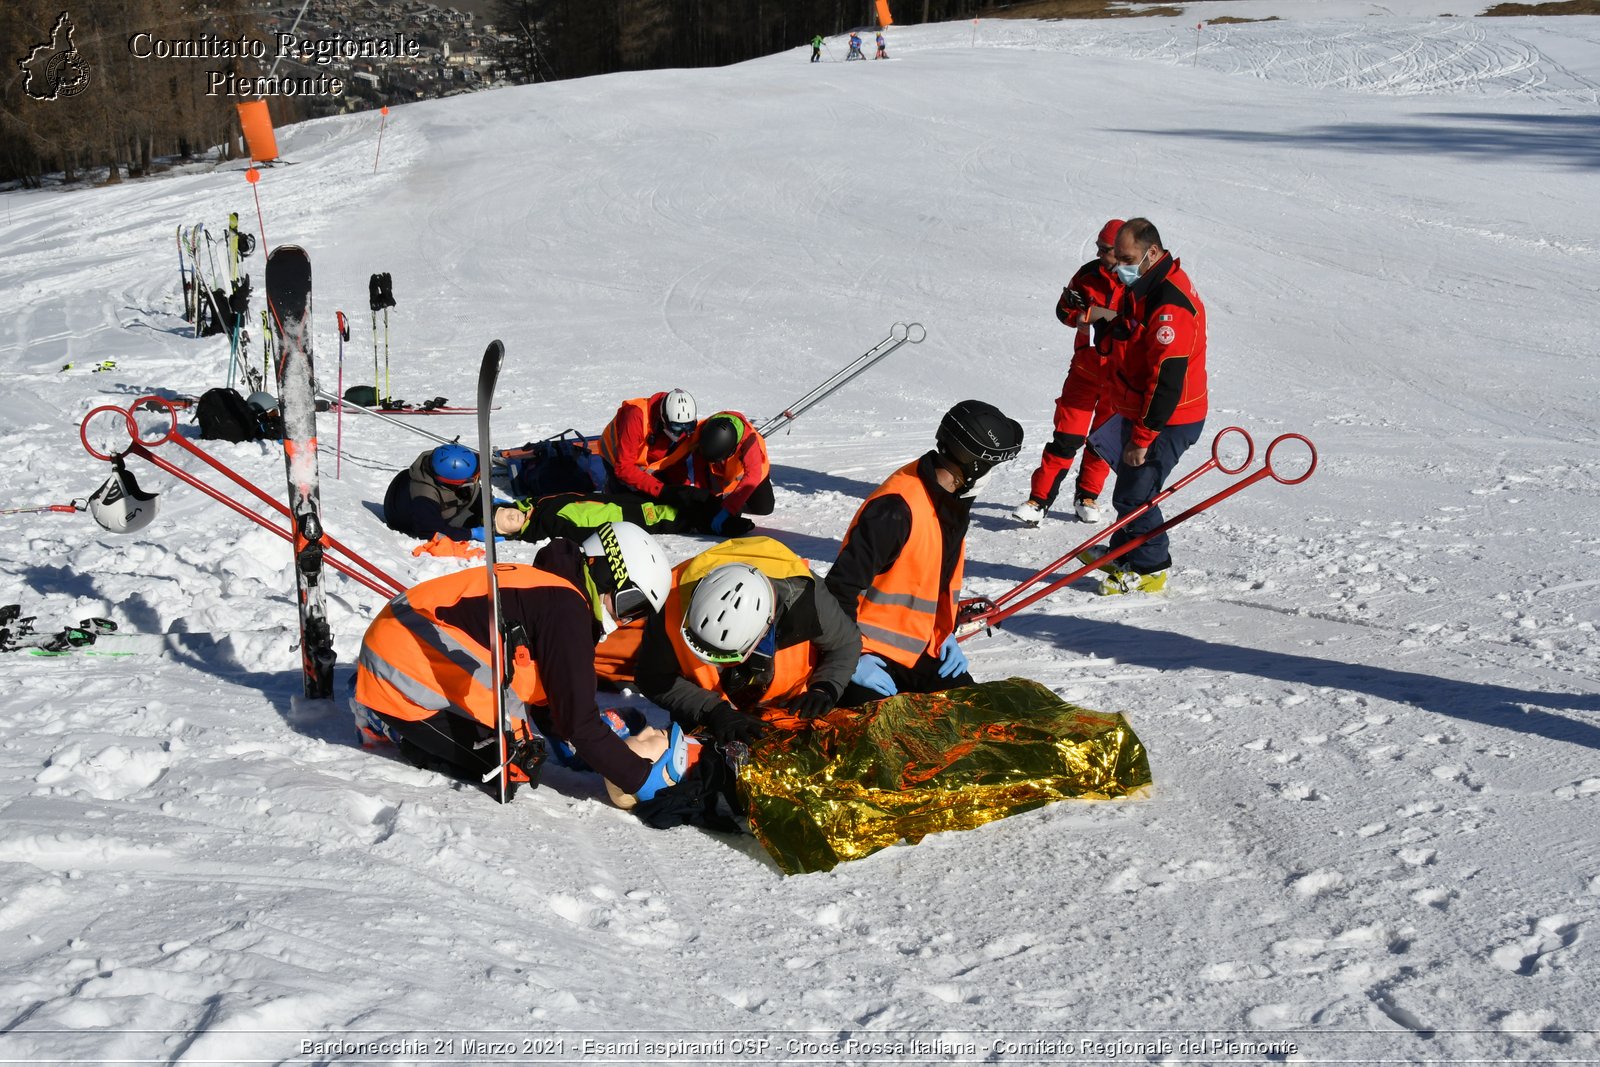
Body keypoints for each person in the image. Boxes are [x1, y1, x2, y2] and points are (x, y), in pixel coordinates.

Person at [353, 522, 689, 805]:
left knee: (520, 742)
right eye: (631, 602)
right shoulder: (566, 607)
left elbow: (552, 701)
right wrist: (642, 781)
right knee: (512, 765)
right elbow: (579, 724)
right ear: (606, 569)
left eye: (638, 612)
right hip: (401, 663)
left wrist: (589, 753)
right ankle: (388, 721)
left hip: (410, 643)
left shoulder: (558, 594)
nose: (626, 618)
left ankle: (390, 706)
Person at [827, 400, 1023, 706]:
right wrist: (849, 659)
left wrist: (944, 631)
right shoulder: (895, 510)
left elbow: (932, 580)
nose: (991, 475)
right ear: (974, 465)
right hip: (866, 653)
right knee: (881, 739)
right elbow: (838, 589)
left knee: (974, 715)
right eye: (991, 466)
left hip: (920, 649)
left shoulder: (949, 502)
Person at [637, 536, 861, 746]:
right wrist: (712, 711)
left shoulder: (808, 598)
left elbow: (846, 643)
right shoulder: (670, 602)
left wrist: (825, 688)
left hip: (790, 711)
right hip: (712, 718)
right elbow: (652, 677)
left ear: (765, 630)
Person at [1086, 217, 1208, 595]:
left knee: (1135, 494)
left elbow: (1167, 381)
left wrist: (1142, 439)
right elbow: (1131, 333)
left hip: (1167, 418)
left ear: (1151, 252)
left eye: (1125, 258)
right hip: (1141, 409)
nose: (1115, 266)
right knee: (1128, 488)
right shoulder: (1145, 285)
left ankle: (1152, 568)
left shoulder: (1170, 306)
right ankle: (1126, 552)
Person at [1014, 218, 1125, 528]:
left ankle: (1087, 496)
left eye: (1106, 250)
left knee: (1102, 441)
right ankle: (1039, 501)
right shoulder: (1089, 275)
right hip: (1085, 372)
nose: (1101, 254)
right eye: (1099, 249)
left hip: (1119, 379)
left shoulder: (1139, 280)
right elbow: (1062, 310)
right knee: (1065, 439)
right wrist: (1079, 316)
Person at [597, 388, 699, 504]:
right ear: (663, 419)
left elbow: (675, 463)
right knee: (629, 503)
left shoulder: (679, 426)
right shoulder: (635, 417)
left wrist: (684, 490)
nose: (682, 434)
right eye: (676, 428)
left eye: (688, 427)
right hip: (618, 460)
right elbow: (624, 468)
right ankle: (610, 490)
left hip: (647, 460)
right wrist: (660, 490)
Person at [686, 411, 774, 537]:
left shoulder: (749, 440)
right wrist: (705, 499)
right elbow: (700, 472)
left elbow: (753, 475)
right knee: (717, 510)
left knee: (764, 508)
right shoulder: (703, 435)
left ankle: (737, 500)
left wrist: (729, 508)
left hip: (752, 475)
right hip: (721, 476)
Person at [381, 444, 489, 542]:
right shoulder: (423, 496)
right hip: (406, 517)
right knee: (469, 522)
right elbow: (431, 531)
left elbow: (469, 487)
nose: (477, 479)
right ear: (454, 482)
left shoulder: (438, 465)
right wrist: (471, 534)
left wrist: (487, 502)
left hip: (413, 495)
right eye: (473, 479)